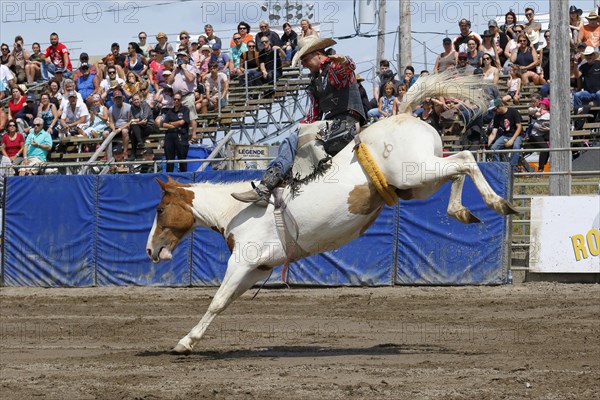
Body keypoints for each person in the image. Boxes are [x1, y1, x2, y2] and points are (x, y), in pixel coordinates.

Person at [232, 37, 366, 205]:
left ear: (317, 54)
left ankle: (265, 187)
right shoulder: (315, 82)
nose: (303, 64)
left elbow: (347, 68)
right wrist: (299, 132)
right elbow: (313, 116)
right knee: (293, 139)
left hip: (347, 125)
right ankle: (280, 185)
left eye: (304, 59)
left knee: (294, 140)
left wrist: (345, 60)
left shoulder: (333, 68)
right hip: (332, 127)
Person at [487, 99, 523, 171]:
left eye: (494, 109)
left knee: (516, 147)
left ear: (500, 106)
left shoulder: (513, 111)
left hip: (517, 135)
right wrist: (488, 144)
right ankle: (499, 168)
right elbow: (494, 132)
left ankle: (512, 168)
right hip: (505, 135)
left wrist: (512, 140)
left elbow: (519, 127)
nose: (494, 112)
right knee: (493, 149)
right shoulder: (497, 116)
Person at [169, 51, 198, 141]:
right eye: (179, 57)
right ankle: (180, 135)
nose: (180, 58)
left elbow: (191, 78)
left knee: (191, 115)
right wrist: (174, 70)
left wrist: (185, 68)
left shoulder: (191, 67)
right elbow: (169, 81)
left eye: (182, 57)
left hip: (188, 95)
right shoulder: (175, 70)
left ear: (187, 58)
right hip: (177, 98)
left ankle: (193, 135)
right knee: (178, 116)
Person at [161, 91, 190, 172]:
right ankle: (169, 177)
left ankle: (184, 177)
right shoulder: (169, 111)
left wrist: (170, 123)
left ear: (181, 100)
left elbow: (182, 122)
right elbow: (164, 124)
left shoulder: (185, 110)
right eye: (175, 99)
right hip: (170, 136)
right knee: (169, 159)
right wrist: (175, 125)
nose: (176, 101)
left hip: (181, 136)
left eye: (178, 99)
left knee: (182, 159)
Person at [105, 89, 132, 159]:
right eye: (116, 98)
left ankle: (125, 151)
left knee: (125, 131)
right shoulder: (111, 108)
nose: (118, 99)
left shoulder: (128, 107)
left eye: (119, 98)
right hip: (116, 126)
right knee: (105, 133)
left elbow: (130, 121)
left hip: (125, 126)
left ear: (122, 98)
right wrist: (114, 129)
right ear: (114, 99)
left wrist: (120, 129)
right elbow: (111, 122)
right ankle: (107, 153)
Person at [573, 46, 600, 111]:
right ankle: (578, 117)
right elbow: (577, 75)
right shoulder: (583, 66)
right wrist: (575, 62)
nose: (588, 57)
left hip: (598, 91)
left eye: (590, 55)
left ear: (594, 55)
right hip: (588, 92)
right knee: (576, 95)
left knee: (599, 94)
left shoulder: (599, 64)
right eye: (587, 55)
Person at [528, 98, 550, 172]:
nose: (541, 105)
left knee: (549, 147)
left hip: (543, 134)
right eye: (541, 104)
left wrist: (549, 129)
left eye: (543, 104)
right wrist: (538, 110)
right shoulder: (535, 110)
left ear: (547, 106)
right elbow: (532, 112)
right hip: (535, 134)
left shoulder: (548, 114)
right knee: (545, 148)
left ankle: (542, 166)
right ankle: (541, 168)